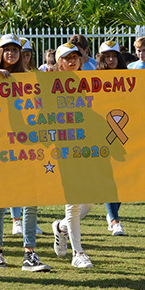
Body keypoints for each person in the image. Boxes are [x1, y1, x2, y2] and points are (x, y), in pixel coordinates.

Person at [0, 34, 50, 271]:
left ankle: (30, 253)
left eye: (16, 49)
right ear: (0, 53)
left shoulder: (30, 78)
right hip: (0, 147)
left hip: (27, 145)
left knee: (30, 201)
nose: (11, 53)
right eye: (7, 49)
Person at [51, 42, 94, 269]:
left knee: (91, 200)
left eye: (75, 57)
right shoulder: (50, 82)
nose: (72, 61)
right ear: (59, 62)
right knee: (74, 200)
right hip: (63, 146)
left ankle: (61, 228)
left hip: (87, 145)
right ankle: (78, 253)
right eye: (67, 57)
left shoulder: (88, 81)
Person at [95, 40, 130, 234]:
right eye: (106, 56)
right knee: (110, 178)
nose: (110, 60)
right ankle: (115, 221)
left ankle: (112, 212)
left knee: (124, 179)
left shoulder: (128, 77)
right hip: (104, 133)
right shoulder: (95, 79)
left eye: (114, 56)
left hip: (125, 133)